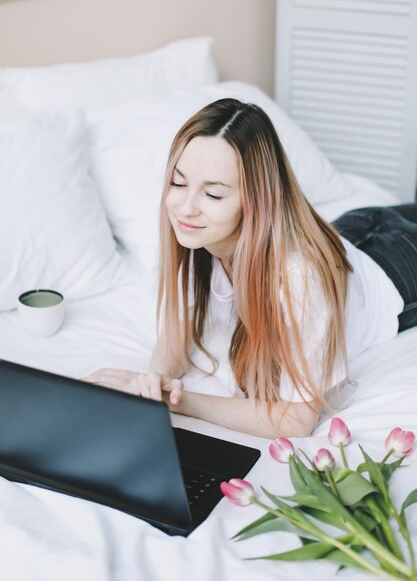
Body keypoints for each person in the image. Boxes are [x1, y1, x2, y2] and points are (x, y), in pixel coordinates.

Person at [85, 98, 417, 438]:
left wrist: (180, 403)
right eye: (178, 183)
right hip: (354, 227)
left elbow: (295, 421)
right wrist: (152, 384)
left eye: (212, 195)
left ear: (256, 201)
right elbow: (173, 348)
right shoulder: (193, 236)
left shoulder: (298, 280)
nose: (185, 208)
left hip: (395, 266)